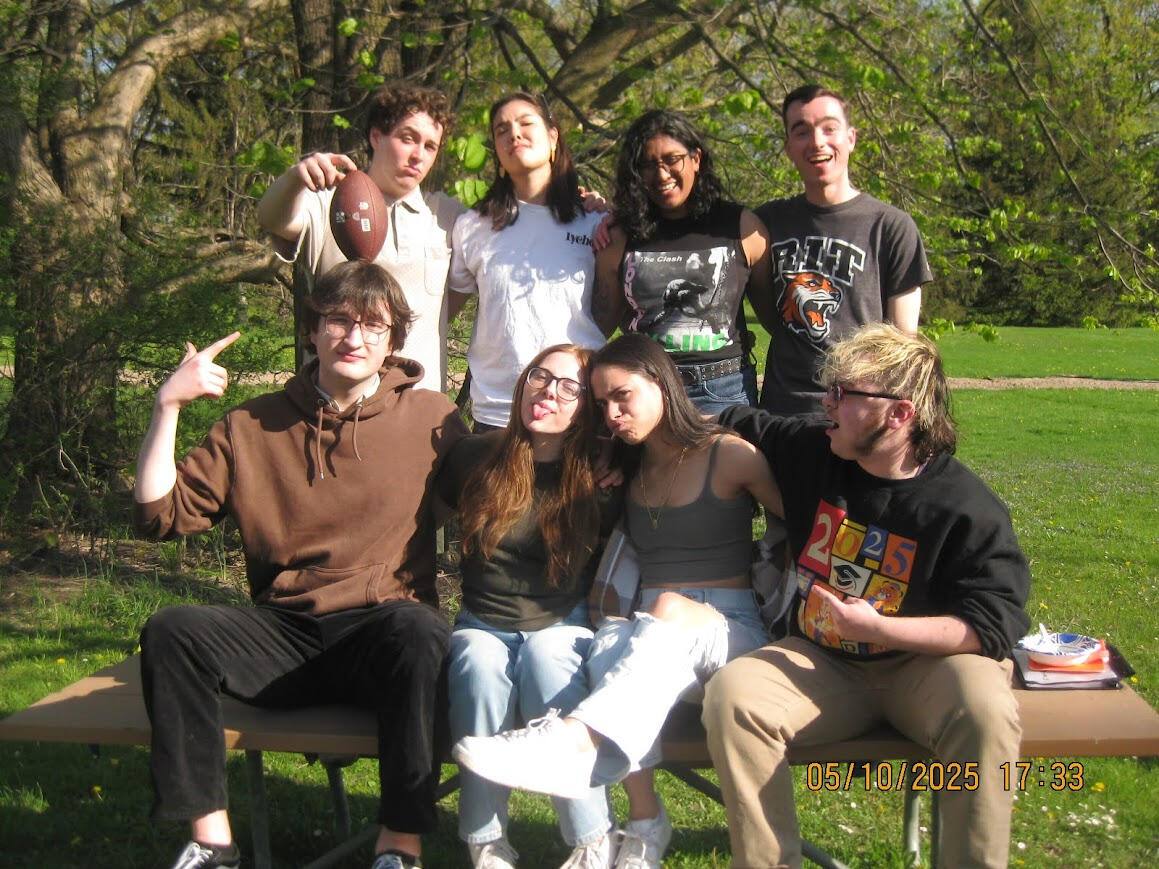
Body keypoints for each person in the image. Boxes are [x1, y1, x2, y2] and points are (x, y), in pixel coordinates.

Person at [134, 261, 468, 869]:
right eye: (339, 320)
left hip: (383, 630)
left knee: (421, 632)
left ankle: (399, 847)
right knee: (172, 630)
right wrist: (167, 407)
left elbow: (496, 491)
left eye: (373, 325)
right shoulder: (251, 424)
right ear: (313, 330)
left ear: (393, 342)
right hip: (283, 633)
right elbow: (159, 518)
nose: (354, 337)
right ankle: (212, 844)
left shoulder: (433, 419)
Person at [703, 323, 1030, 868]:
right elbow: (737, 418)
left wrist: (882, 629)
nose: (826, 403)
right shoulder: (816, 451)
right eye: (829, 390)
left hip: (927, 665)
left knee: (985, 709)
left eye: (843, 394)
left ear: (899, 413)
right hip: (826, 664)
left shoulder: (965, 508)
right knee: (734, 696)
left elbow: (991, 626)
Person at [452, 333, 782, 869]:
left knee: (664, 612)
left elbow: (805, 529)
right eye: (602, 403)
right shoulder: (628, 472)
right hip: (650, 630)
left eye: (621, 396)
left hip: (728, 626)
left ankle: (575, 740)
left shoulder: (729, 455)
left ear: (661, 383)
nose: (612, 413)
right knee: (607, 647)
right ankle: (646, 824)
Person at [437, 344, 621, 869]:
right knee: (477, 665)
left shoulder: (599, 474)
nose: (549, 392)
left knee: (548, 662)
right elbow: (417, 522)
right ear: (522, 384)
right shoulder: (477, 456)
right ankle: (485, 839)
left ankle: (590, 839)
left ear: (586, 407)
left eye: (569, 387)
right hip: (481, 620)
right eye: (541, 377)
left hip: (562, 620)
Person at [257, 82, 462, 392]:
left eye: (430, 146)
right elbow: (271, 218)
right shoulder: (329, 203)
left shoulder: (447, 216)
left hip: (417, 415)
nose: (418, 155)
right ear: (376, 136)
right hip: (334, 412)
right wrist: (294, 178)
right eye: (408, 139)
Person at [757, 84, 933, 416]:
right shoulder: (765, 223)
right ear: (788, 148)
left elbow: (903, 344)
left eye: (829, 128)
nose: (817, 142)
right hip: (783, 415)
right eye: (802, 131)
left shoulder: (891, 226)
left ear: (850, 138)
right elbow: (771, 314)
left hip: (859, 412)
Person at [591, 110, 775, 414]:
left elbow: (774, 322)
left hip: (725, 392)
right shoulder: (619, 237)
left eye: (672, 159)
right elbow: (597, 326)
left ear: (696, 159)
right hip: (647, 392)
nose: (661, 174)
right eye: (648, 165)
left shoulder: (741, 227)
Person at [449, 92, 607, 431]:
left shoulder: (594, 222)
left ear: (553, 137)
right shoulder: (472, 226)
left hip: (575, 411)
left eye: (525, 123)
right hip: (498, 413)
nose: (514, 134)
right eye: (501, 129)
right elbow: (442, 310)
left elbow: (614, 308)